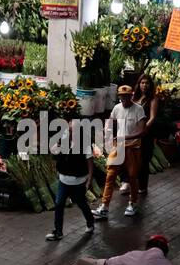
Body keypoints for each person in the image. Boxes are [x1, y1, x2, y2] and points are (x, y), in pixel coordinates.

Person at [93, 84, 146, 220]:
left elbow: (142, 131)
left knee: (132, 177)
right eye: (121, 97)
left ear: (131, 96)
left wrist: (125, 137)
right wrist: (107, 131)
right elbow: (110, 122)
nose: (124, 99)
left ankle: (133, 203)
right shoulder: (117, 108)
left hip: (133, 148)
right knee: (110, 175)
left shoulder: (138, 110)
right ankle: (104, 206)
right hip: (119, 147)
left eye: (126, 97)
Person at [46, 131, 95, 241]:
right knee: (59, 203)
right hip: (63, 180)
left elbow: (90, 162)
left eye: (73, 130)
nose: (70, 133)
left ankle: (90, 222)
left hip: (78, 181)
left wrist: (89, 180)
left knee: (81, 203)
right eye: (69, 130)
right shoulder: (63, 140)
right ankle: (58, 232)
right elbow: (54, 153)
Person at [133, 74, 163, 200]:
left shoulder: (153, 99)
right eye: (142, 83)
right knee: (133, 159)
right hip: (133, 132)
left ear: (150, 85)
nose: (144, 85)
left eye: (147, 83)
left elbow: (152, 117)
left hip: (145, 134)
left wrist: (144, 128)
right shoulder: (135, 97)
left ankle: (143, 186)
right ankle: (130, 183)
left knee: (144, 160)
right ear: (138, 84)